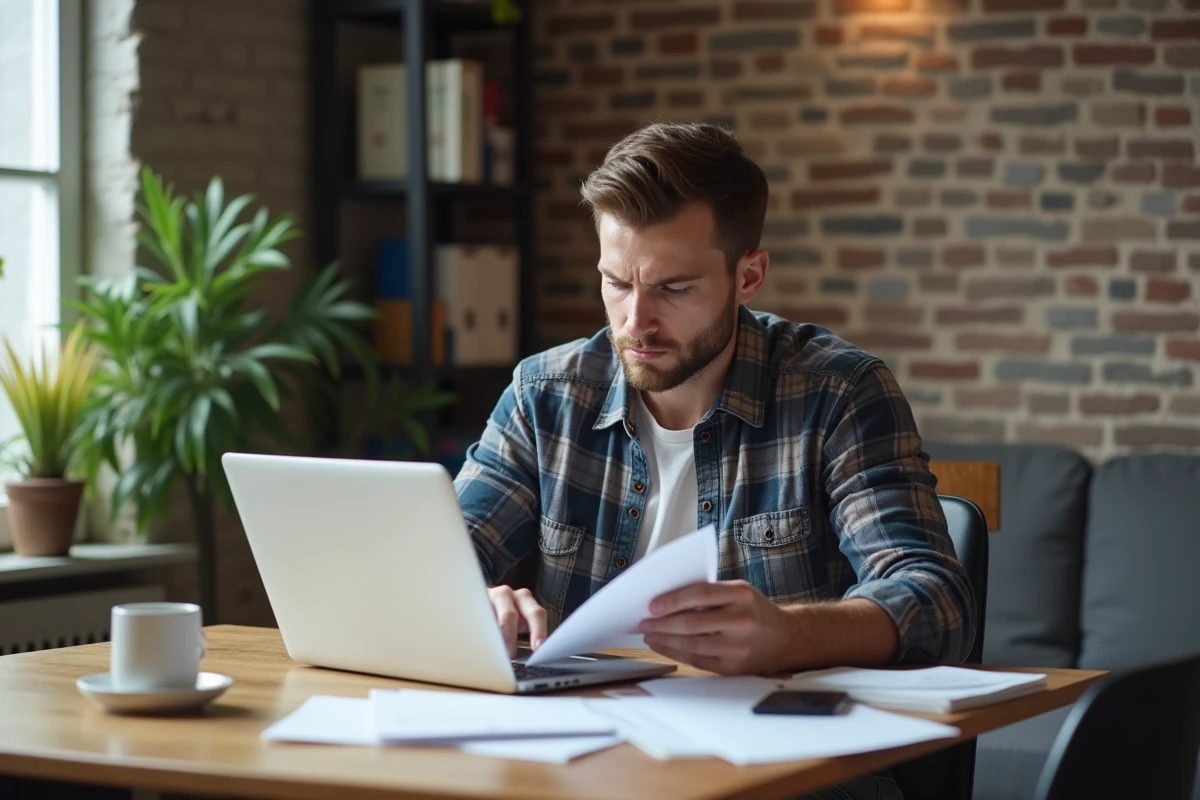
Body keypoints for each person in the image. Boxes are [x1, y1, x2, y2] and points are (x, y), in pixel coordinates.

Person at [453, 122, 975, 800]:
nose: (635, 322)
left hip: (784, 768)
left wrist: (787, 636)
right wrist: (470, 601)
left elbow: (936, 599)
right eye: (616, 282)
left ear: (748, 275)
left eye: (673, 289)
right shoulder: (544, 395)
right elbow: (438, 560)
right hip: (578, 758)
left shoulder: (838, 394)